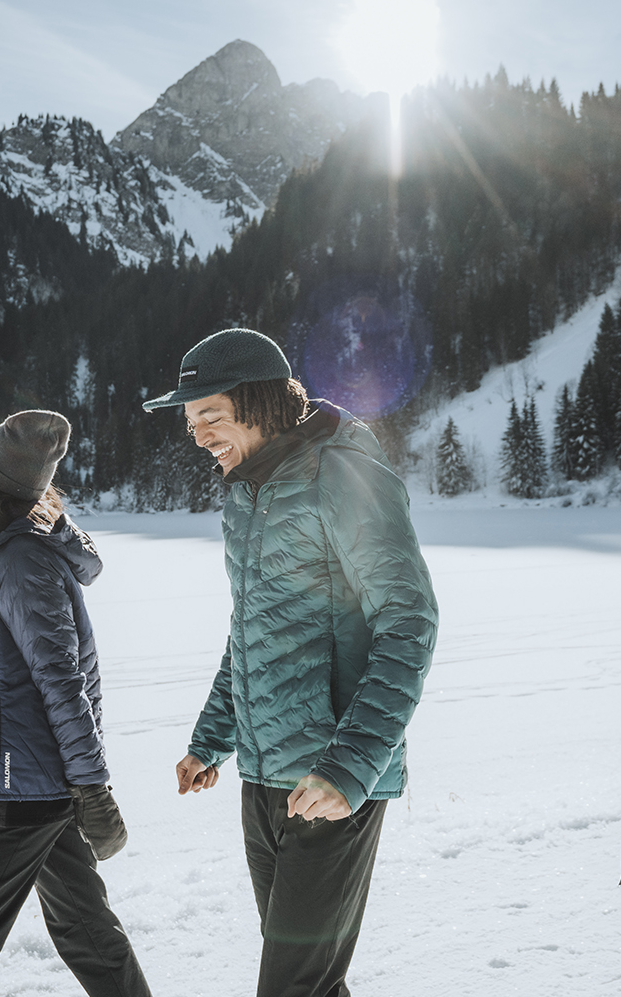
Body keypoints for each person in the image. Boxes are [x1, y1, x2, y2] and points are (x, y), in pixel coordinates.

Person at [142, 327, 437, 997]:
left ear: (259, 403)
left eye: (208, 415)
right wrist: (211, 737)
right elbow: (252, 625)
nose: (196, 434)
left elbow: (410, 619)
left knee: (291, 988)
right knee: (310, 985)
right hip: (266, 773)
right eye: (189, 422)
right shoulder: (245, 492)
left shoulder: (341, 470)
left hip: (334, 777)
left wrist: (349, 766)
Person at [0, 410, 151, 997]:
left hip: (24, 795)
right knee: (86, 932)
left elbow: (60, 681)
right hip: (30, 783)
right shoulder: (15, 553)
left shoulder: (21, 561)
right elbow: (3, 688)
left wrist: (94, 789)